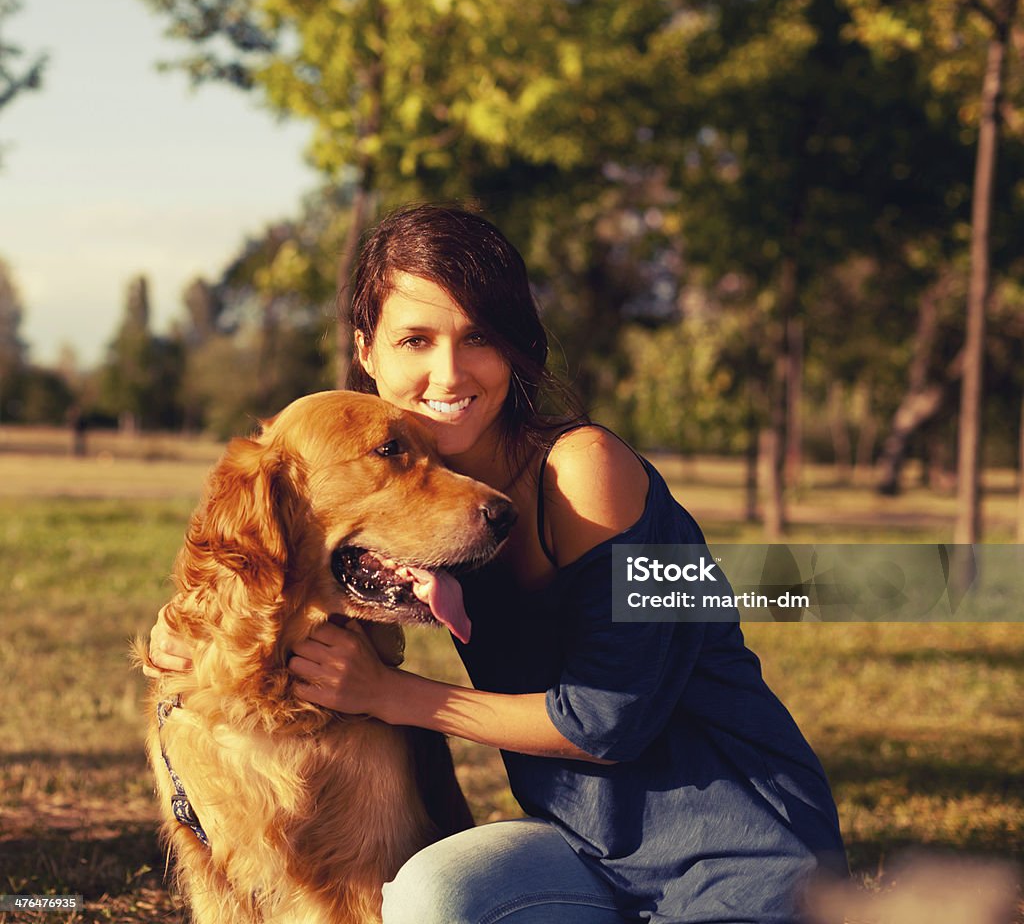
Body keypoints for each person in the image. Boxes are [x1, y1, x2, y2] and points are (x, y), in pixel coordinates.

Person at [147, 203, 847, 924]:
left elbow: (614, 719)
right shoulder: (430, 498)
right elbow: (291, 553)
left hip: (740, 859)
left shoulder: (586, 470)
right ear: (369, 353)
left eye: (477, 336)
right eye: (415, 339)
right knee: (431, 896)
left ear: (514, 348)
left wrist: (388, 694)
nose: (446, 372)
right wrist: (193, 623)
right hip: (589, 855)